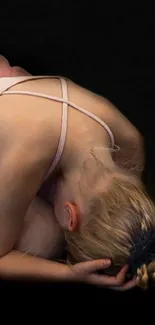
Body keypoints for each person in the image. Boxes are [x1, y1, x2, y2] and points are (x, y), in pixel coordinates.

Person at [0, 54, 152, 290]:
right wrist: (67, 273)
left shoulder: (129, 141)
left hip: (18, 97)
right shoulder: (28, 155)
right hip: (22, 129)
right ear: (70, 216)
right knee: (42, 241)